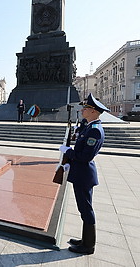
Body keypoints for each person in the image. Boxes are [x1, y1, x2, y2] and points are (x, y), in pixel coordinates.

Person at [59, 93, 109, 255]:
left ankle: (88, 246)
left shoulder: (95, 131)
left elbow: (85, 157)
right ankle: (84, 239)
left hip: (84, 175)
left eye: (86, 108)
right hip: (81, 174)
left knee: (86, 209)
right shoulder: (89, 127)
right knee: (83, 208)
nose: (82, 110)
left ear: (94, 111)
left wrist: (69, 152)